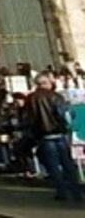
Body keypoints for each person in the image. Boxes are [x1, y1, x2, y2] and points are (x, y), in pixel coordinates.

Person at [24, 72, 84, 202]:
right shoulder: (55, 96)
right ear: (47, 84)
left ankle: (61, 192)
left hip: (43, 137)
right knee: (68, 165)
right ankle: (76, 192)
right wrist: (68, 126)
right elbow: (63, 115)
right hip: (59, 134)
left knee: (53, 166)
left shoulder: (31, 99)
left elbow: (28, 119)